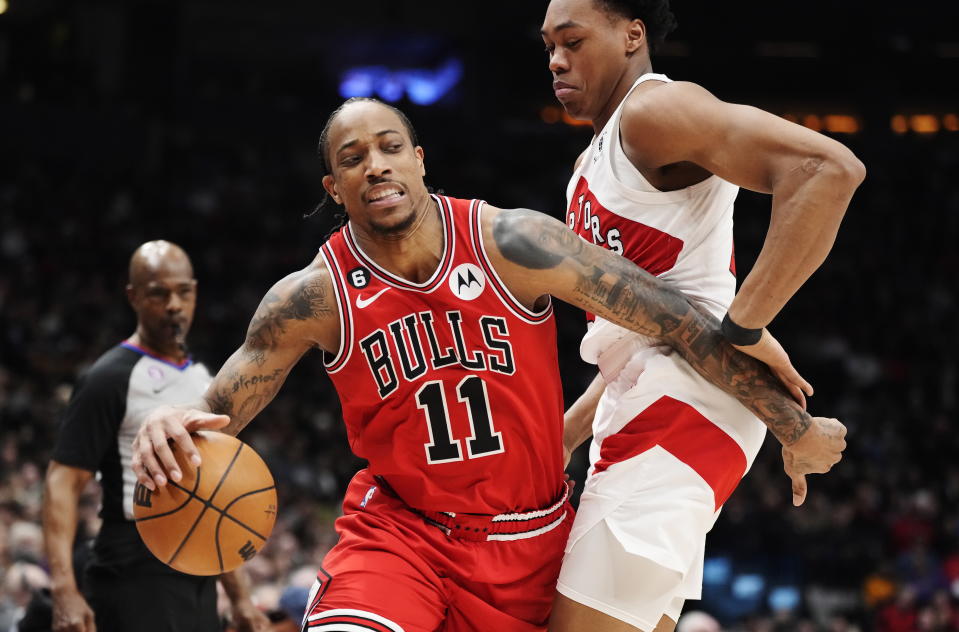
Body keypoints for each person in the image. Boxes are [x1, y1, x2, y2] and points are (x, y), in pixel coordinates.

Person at [130, 98, 845, 632]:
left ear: (418, 161)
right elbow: (217, 411)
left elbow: (680, 323)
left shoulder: (514, 242)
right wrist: (170, 415)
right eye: (352, 159)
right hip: (402, 534)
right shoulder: (310, 298)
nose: (373, 163)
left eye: (388, 147)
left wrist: (791, 425)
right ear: (334, 189)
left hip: (528, 541)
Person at [540, 0, 866, 630]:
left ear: (632, 35)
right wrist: (561, 440)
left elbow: (827, 168)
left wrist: (744, 322)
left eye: (573, 42)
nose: (556, 60)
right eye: (548, 46)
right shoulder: (594, 159)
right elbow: (629, 337)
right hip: (657, 395)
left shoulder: (654, 110)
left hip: (682, 402)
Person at [41, 240, 268, 632]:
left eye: (183, 291)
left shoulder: (205, 381)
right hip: (133, 562)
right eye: (159, 294)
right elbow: (63, 481)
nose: (174, 305)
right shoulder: (109, 377)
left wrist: (240, 597)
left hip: (199, 561)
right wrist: (64, 588)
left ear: (195, 292)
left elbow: (220, 494)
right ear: (133, 297)